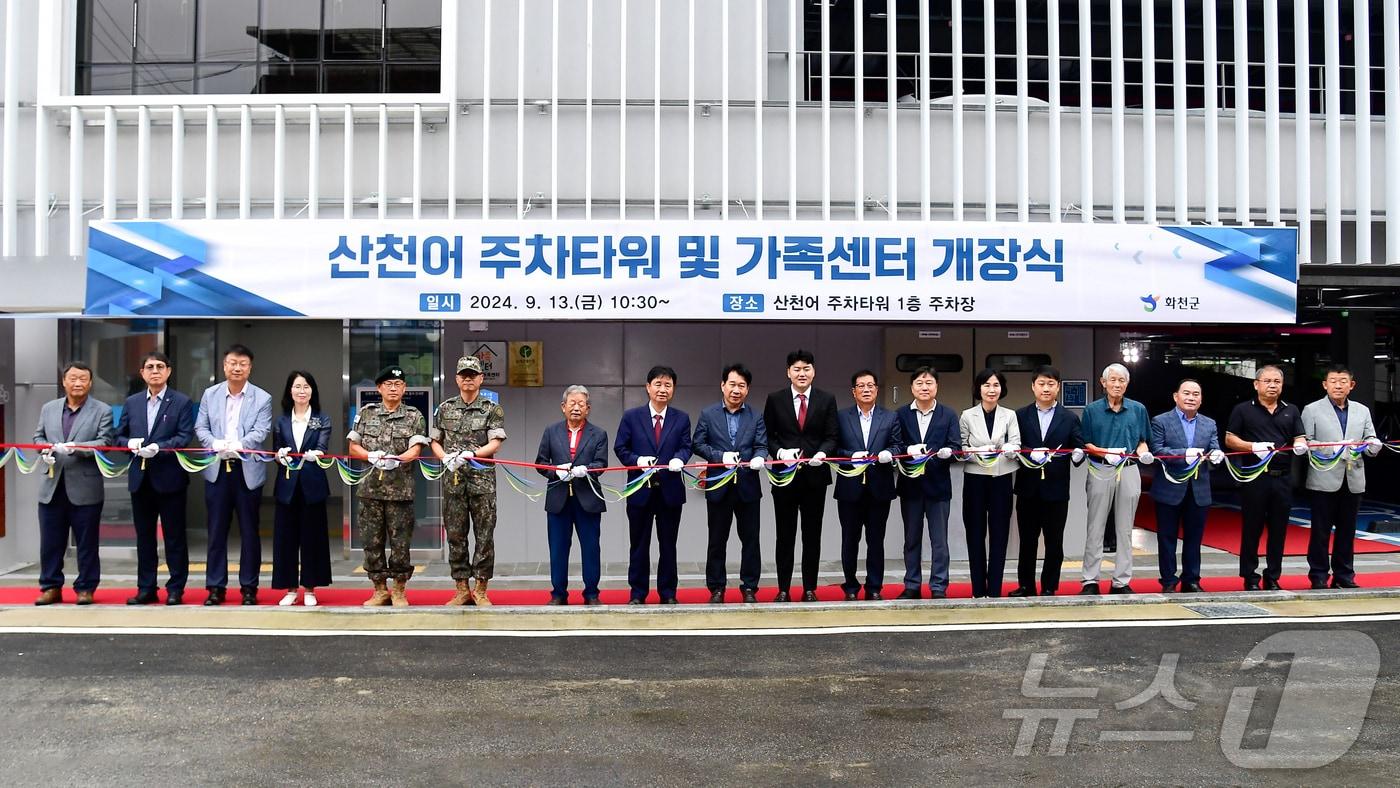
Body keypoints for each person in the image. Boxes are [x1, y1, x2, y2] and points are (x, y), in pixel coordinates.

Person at [194, 344, 272, 606]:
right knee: (216, 531)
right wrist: (214, 443)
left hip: (246, 469)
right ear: (224, 366)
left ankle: (249, 587)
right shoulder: (210, 394)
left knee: (250, 531)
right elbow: (200, 426)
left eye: (242, 364)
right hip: (217, 469)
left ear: (250, 367)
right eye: (232, 363)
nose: (237, 368)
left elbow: (261, 431)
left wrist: (240, 443)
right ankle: (215, 587)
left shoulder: (262, 398)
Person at [115, 352, 195, 606]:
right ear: (142, 373)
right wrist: (129, 443)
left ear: (169, 371)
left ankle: (175, 588)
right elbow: (118, 437)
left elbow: (184, 436)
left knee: (174, 537)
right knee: (145, 538)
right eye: (149, 367)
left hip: (170, 478)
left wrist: (159, 447)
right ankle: (146, 587)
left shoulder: (181, 401)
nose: (155, 371)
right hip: (141, 478)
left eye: (160, 366)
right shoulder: (132, 402)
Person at [31, 362, 113, 606]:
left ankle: (85, 588)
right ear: (63, 381)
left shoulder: (102, 410)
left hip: (85, 487)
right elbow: (38, 437)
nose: (78, 383)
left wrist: (78, 449)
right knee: (50, 542)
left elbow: (105, 441)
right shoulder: (49, 408)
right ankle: (50, 586)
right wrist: (44, 449)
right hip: (51, 485)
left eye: (83, 379)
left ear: (90, 383)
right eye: (73, 378)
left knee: (86, 543)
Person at [347, 365, 429, 606]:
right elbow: (353, 446)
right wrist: (369, 456)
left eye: (398, 384)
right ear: (379, 388)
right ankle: (380, 589)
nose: (393, 388)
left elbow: (415, 449)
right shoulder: (366, 413)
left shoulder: (414, 415)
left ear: (404, 388)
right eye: (388, 384)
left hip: (400, 491)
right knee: (372, 542)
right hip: (370, 490)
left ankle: (400, 589)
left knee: (400, 543)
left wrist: (398, 459)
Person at [763, 349, 840, 602]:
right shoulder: (775, 399)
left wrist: (822, 454)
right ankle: (783, 588)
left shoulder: (826, 399)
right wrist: (780, 451)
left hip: (815, 479)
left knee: (811, 535)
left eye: (806, 368)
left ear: (813, 371)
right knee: (784, 535)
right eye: (796, 369)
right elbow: (768, 437)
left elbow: (832, 436)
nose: (802, 373)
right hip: (784, 477)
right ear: (788, 372)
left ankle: (810, 588)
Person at [431, 356, 507, 606]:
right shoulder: (444, 409)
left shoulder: (491, 408)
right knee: (455, 535)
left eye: (472, 374)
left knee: (484, 535)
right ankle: (462, 588)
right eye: (463, 374)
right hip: (453, 481)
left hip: (482, 482)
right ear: (456, 379)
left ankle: (481, 588)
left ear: (480, 379)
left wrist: (473, 454)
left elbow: (495, 442)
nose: (467, 378)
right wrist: (444, 458)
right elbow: (434, 440)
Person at [1300, 364, 1384, 590]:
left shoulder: (1362, 410)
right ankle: (1318, 574)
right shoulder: (1311, 409)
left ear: (1352, 385)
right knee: (1320, 530)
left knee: (1347, 531)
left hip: (1354, 478)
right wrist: (1335, 447)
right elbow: (1306, 442)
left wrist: (1374, 445)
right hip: (1323, 477)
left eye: (1343, 381)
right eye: (1333, 381)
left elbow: (1370, 440)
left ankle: (1344, 574)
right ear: (1325, 384)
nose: (1338, 385)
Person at [614, 365, 692, 605]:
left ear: (673, 389)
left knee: (668, 544)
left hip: (670, 491)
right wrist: (637, 461)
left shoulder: (681, 418)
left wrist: (680, 458)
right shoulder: (631, 416)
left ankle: (668, 593)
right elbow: (620, 447)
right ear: (648, 387)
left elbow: (686, 446)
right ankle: (637, 593)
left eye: (668, 385)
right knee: (639, 544)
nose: (662, 389)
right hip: (640, 490)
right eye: (658, 384)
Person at [1224, 365, 1307, 591]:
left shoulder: (1291, 410)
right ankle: (1250, 576)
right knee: (1252, 529)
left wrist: (1300, 445)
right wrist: (1252, 447)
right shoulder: (1243, 410)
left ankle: (1273, 575)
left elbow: (1299, 437)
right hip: (1255, 478)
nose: (1272, 385)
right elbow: (1230, 439)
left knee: (1279, 530)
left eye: (1277, 382)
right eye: (1268, 381)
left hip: (1283, 479)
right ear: (1256, 384)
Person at [693, 363, 769, 603]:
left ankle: (749, 587)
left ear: (747, 390)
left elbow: (762, 444)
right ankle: (716, 587)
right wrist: (718, 457)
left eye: (742, 386)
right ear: (723, 385)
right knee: (717, 540)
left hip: (748, 487)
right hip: (718, 486)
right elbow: (698, 443)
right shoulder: (708, 414)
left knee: (751, 539)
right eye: (732, 384)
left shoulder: (755, 415)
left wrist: (759, 457)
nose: (736, 390)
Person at [1010, 365, 1085, 597]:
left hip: (1056, 489)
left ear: (1058, 387)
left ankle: (1050, 586)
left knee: (1054, 542)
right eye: (1041, 384)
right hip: (1028, 488)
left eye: (1051, 384)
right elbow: (1013, 445)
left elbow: (1078, 445)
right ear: (1033, 386)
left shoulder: (1070, 417)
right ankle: (1025, 585)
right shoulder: (1020, 415)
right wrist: (1026, 452)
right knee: (1028, 541)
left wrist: (1078, 453)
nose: (1046, 388)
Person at [1079, 363, 1152, 595]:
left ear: (1127, 383)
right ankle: (1090, 580)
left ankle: (1121, 581)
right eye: (1113, 380)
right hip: (1100, 469)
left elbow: (1143, 439)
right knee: (1095, 526)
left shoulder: (1138, 409)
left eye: (1122, 380)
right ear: (1103, 383)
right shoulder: (1092, 410)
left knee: (1125, 528)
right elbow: (1086, 443)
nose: (1117, 384)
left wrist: (1143, 452)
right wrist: (1105, 453)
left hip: (1129, 468)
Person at [834, 370, 904, 601]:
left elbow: (897, 445)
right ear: (853, 391)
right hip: (850, 489)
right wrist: (850, 455)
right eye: (861, 386)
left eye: (870, 385)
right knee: (849, 539)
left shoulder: (890, 417)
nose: (866, 390)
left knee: (876, 540)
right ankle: (851, 586)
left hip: (879, 488)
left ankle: (874, 587)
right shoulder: (841, 417)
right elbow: (834, 450)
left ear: (877, 389)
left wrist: (888, 453)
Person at [536, 385, 609, 605]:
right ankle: (558, 593)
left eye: (581, 404)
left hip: (588, 499)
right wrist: (555, 471)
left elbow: (601, 464)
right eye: (572, 403)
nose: (576, 408)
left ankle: (592, 593)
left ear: (588, 409)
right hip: (558, 500)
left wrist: (586, 470)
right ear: (563, 407)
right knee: (558, 549)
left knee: (590, 548)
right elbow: (540, 463)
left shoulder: (599, 434)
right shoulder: (551, 431)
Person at [1149, 379, 1224, 593]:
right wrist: (1184, 454)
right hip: (1169, 488)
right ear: (1176, 396)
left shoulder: (1209, 423)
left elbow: (1214, 448)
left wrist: (1216, 455)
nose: (1191, 398)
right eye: (1187, 393)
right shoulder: (1161, 421)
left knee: (1194, 538)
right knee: (1166, 537)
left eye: (1196, 394)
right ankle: (1168, 580)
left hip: (1199, 489)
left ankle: (1192, 579)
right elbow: (1157, 451)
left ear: (1201, 399)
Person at [894, 366, 961, 599]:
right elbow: (895, 445)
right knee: (911, 539)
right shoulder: (901, 414)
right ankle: (912, 585)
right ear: (912, 388)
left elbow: (956, 447)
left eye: (929, 382)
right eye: (920, 383)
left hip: (938, 486)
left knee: (939, 541)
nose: (924, 387)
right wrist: (907, 450)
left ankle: (939, 586)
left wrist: (948, 452)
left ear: (937, 386)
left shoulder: (948, 414)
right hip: (910, 486)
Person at [271, 371, 333, 606]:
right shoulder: (282, 420)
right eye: (297, 386)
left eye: (306, 386)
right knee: (285, 538)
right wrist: (280, 456)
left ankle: (309, 588)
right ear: (290, 390)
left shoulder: (321, 418)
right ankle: (289, 588)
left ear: (312, 391)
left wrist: (315, 454)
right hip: (287, 485)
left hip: (312, 484)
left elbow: (322, 447)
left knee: (312, 537)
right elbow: (276, 451)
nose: (302, 391)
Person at [959, 368, 1021, 599]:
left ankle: (994, 589)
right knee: (975, 533)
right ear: (978, 388)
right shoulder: (967, 415)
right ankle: (978, 589)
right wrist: (976, 453)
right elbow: (961, 449)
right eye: (986, 385)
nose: (991, 389)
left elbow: (1016, 444)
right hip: (975, 478)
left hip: (1001, 478)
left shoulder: (1010, 415)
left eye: (996, 385)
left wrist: (1008, 449)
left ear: (1001, 389)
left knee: (999, 533)